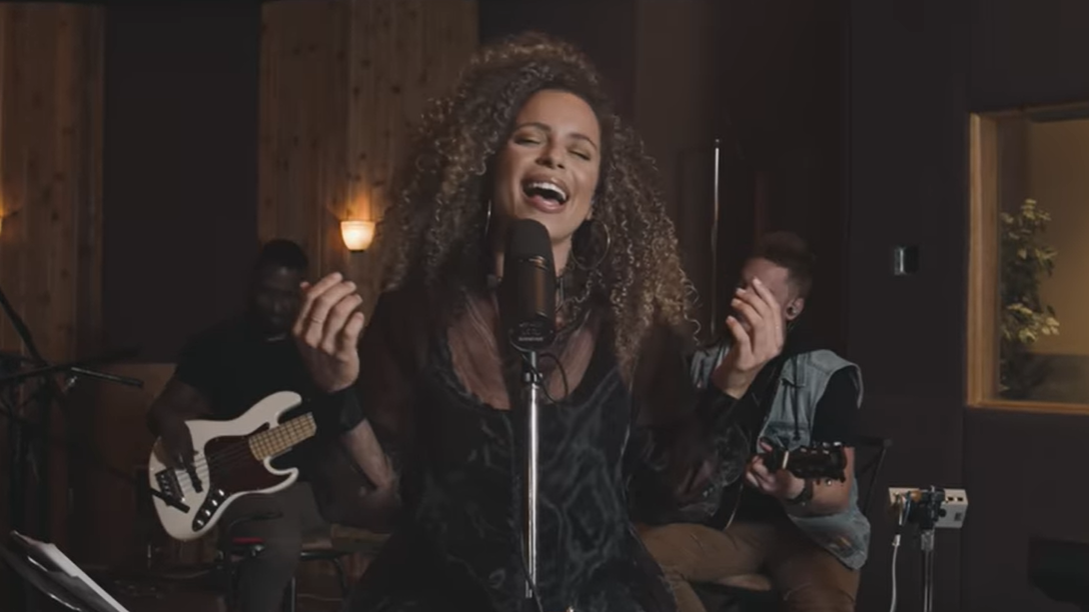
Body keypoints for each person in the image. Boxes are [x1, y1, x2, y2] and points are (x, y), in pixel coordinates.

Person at [291, 32, 786, 612]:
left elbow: (668, 496)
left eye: (581, 152)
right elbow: (375, 504)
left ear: (594, 199)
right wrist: (337, 392)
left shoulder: (633, 329)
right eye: (530, 139)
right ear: (488, 167)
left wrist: (732, 383)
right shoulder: (414, 317)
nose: (554, 157)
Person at [639, 232, 869, 612]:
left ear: (792, 309)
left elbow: (837, 492)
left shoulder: (827, 375)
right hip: (730, 527)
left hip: (810, 535)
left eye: (759, 293)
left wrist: (795, 487)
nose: (743, 300)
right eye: (742, 287)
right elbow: (678, 465)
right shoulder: (707, 364)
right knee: (641, 556)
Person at [146, 239, 367, 612]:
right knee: (278, 544)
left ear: (302, 293)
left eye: (287, 296)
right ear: (251, 286)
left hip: (316, 486)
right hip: (235, 485)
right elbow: (164, 409)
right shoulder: (216, 344)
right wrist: (171, 424)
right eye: (268, 293)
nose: (277, 306)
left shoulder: (319, 351)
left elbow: (348, 416)